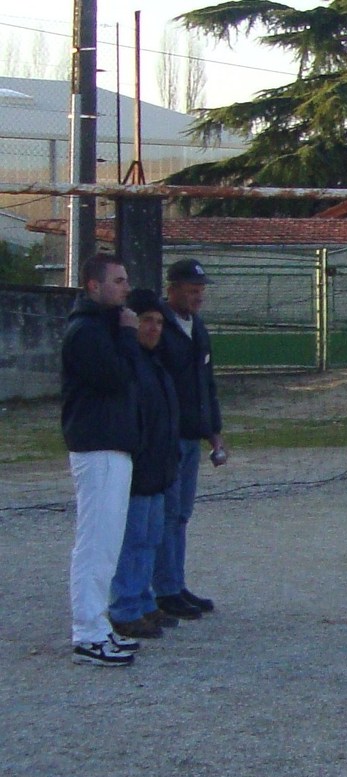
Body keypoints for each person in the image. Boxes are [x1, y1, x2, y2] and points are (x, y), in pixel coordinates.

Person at [61, 253, 143, 666]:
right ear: (94, 285)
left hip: (112, 443)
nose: (126, 287)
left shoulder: (102, 327)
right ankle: (87, 632)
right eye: (118, 280)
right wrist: (128, 336)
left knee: (107, 543)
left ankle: (98, 624)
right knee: (95, 543)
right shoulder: (87, 331)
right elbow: (115, 378)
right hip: (98, 445)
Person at [153, 259, 225, 620]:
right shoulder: (159, 327)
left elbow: (206, 384)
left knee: (181, 514)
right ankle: (164, 590)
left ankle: (175, 583)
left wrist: (214, 430)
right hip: (166, 436)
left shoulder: (197, 327)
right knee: (167, 514)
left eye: (201, 291)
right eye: (192, 290)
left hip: (191, 434)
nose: (198, 297)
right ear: (173, 289)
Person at [107, 288, 181, 640]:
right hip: (140, 467)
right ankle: (125, 608)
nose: (154, 328)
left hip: (157, 467)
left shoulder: (153, 361)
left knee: (150, 538)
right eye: (147, 321)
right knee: (134, 539)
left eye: (159, 322)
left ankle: (143, 601)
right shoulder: (132, 363)